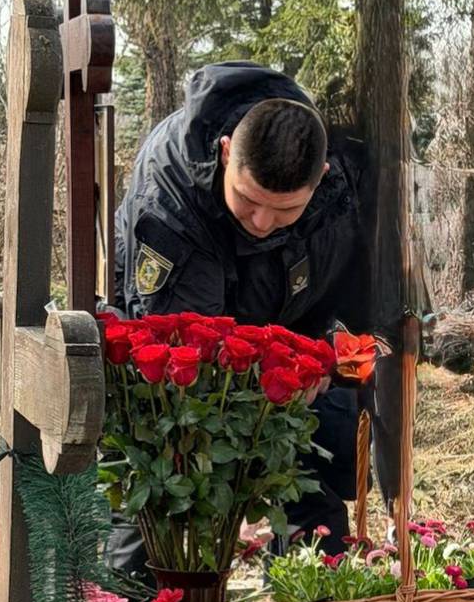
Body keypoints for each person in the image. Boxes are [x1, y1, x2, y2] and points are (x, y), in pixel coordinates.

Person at [111, 61, 372, 565]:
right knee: (169, 485)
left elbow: (347, 294)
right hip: (181, 363)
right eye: (249, 201)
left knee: (316, 480)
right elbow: (184, 350)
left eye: (285, 211)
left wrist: (322, 357)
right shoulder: (170, 193)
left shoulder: (337, 185)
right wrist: (275, 375)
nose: (263, 222)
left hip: (279, 329)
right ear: (226, 152)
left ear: (319, 178)